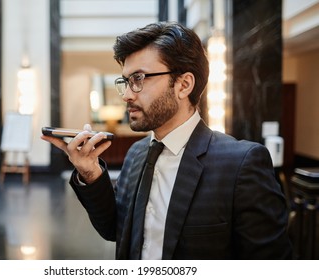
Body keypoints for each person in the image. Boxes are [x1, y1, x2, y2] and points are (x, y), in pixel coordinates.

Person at [41, 22, 292, 259]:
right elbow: (115, 229)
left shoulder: (241, 164)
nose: (127, 95)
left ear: (183, 85)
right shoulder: (137, 154)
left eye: (139, 79)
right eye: (126, 82)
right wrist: (90, 172)